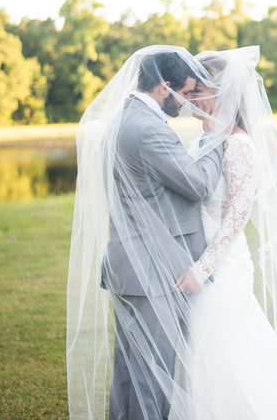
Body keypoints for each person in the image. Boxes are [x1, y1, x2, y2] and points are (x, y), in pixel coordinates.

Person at [173, 48, 277, 420]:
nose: (189, 100)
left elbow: (237, 216)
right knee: (207, 352)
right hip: (193, 258)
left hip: (223, 267)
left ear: (222, 94)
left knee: (218, 350)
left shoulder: (240, 145)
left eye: (197, 92)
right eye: (190, 92)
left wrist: (203, 269)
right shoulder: (201, 142)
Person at [67, 46, 226, 420]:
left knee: (131, 376)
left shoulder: (127, 118)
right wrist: (218, 140)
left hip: (132, 267)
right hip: (150, 270)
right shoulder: (148, 129)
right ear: (164, 87)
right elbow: (199, 185)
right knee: (153, 379)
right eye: (186, 94)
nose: (189, 104)